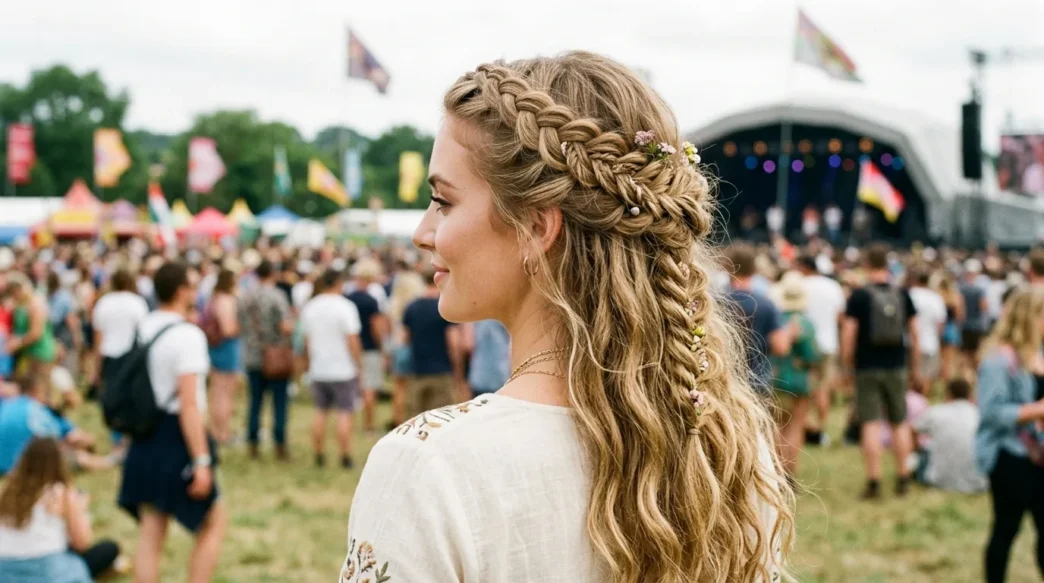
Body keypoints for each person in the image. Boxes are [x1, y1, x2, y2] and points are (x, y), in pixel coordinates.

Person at [341, 52, 792, 583]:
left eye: (443, 201)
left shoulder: (430, 467)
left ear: (536, 226)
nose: (422, 232)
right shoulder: (729, 445)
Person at [117, 261, 226, 583]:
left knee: (151, 532)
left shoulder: (144, 326)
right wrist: (202, 460)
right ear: (181, 291)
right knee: (212, 522)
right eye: (192, 285)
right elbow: (189, 404)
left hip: (144, 433)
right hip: (176, 436)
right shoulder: (187, 335)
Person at [841, 243, 919, 500]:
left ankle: (874, 480)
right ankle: (903, 476)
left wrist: (847, 365)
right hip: (897, 365)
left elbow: (849, 335)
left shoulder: (860, 296)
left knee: (871, 423)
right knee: (900, 421)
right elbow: (915, 333)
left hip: (867, 366)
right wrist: (913, 365)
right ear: (887, 264)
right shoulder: (903, 294)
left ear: (866, 265)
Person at [976, 287, 1044, 582]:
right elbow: (991, 412)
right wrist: (1034, 410)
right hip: (1010, 454)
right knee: (1006, 528)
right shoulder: (1000, 359)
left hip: (1039, 455)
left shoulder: (1037, 355)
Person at [0, 437, 123, 582]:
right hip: (49, 571)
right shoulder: (61, 492)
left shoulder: (8, 492)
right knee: (108, 549)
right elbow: (82, 542)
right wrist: (80, 510)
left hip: (6, 571)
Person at [300, 269, 363, 469]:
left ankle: (319, 453)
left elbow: (307, 341)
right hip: (343, 368)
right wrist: (358, 363)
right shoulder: (345, 307)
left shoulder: (311, 307)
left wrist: (308, 363)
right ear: (338, 283)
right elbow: (352, 339)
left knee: (320, 412)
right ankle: (345, 455)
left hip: (319, 367)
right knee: (344, 412)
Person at [238, 260, 293, 461]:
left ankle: (252, 444)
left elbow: (240, 324)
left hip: (252, 355)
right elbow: (285, 326)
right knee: (279, 403)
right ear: (273, 273)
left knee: (255, 403)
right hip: (275, 355)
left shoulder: (245, 296)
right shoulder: (277, 296)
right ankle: (280, 444)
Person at [91, 268, 149, 451]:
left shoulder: (103, 303)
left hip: (110, 355)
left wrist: (96, 367)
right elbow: (144, 332)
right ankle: (129, 434)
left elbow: (98, 339)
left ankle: (117, 437)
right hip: (131, 355)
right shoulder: (137, 303)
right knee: (131, 397)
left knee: (112, 398)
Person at [770, 271, 820, 477]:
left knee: (777, 428)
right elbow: (813, 357)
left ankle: (777, 471)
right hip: (800, 381)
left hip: (777, 378)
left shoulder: (777, 320)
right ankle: (790, 472)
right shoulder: (806, 324)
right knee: (795, 427)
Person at [726, 244, 791, 393]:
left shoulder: (717, 302)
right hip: (757, 382)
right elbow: (781, 347)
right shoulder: (766, 304)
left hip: (725, 383)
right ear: (754, 270)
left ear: (727, 267)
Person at [796, 253, 846, 445]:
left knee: (805, 390)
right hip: (828, 344)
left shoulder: (801, 285)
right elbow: (840, 317)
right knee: (823, 390)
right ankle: (820, 430)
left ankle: (805, 428)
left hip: (806, 344)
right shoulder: (832, 286)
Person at [401, 268, 464, 417]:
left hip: (417, 370)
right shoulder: (445, 308)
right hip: (441, 370)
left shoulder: (412, 307)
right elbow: (453, 343)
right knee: (441, 418)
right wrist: (458, 370)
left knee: (417, 421)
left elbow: (404, 338)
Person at [910, 378, 986, 493]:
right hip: (978, 482)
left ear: (949, 394)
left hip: (938, 480)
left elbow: (913, 430)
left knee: (920, 456)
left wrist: (917, 449)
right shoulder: (979, 414)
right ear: (970, 395)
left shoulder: (937, 411)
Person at [346, 258, 390, 434]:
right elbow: (376, 327)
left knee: (352, 387)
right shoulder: (371, 301)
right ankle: (368, 424)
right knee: (370, 387)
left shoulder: (347, 298)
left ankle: (350, 422)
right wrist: (382, 347)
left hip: (350, 347)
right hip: (369, 347)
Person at [202, 268, 242, 444]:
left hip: (216, 347)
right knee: (225, 392)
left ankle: (216, 430)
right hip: (226, 347)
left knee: (217, 391)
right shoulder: (226, 301)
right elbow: (228, 329)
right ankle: (222, 432)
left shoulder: (214, 299)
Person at [383, 267, 425, 430]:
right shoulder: (416, 304)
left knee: (398, 388)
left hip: (397, 347)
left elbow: (387, 330)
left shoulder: (392, 304)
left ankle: (398, 418)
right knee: (413, 387)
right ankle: (412, 419)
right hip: (412, 346)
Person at [5, 272, 58, 385]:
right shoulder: (20, 304)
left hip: (40, 353)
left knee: (39, 386)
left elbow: (36, 332)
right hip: (28, 352)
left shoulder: (35, 303)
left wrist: (18, 343)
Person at [907, 267, 947, 392]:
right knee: (926, 380)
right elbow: (941, 324)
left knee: (908, 379)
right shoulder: (935, 298)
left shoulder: (908, 294)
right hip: (930, 343)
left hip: (908, 342)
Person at [467, 319, 511, 397]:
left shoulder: (474, 317)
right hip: (502, 376)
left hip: (480, 377)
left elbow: (468, 344)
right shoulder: (503, 317)